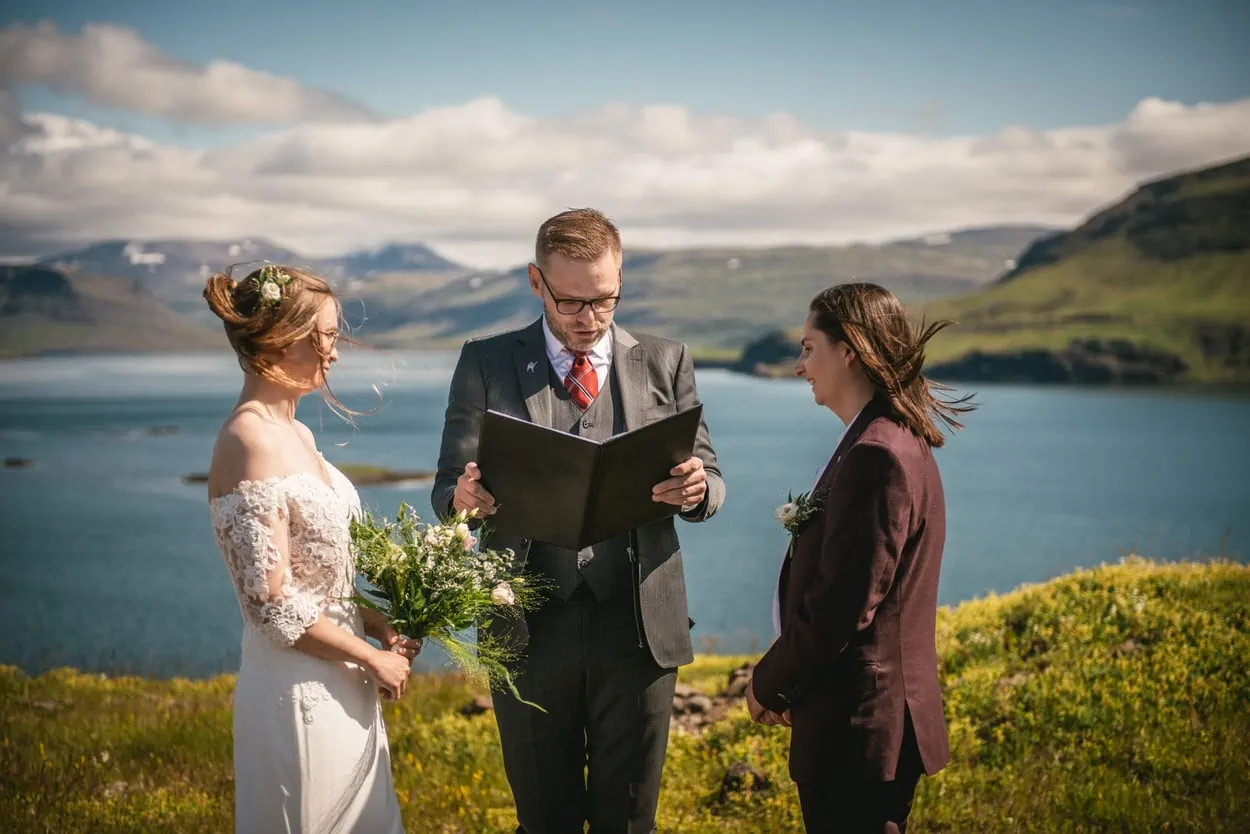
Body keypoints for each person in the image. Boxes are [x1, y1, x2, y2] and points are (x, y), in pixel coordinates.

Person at [432, 208, 725, 833]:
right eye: (571, 304)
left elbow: (710, 477)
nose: (589, 321)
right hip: (528, 630)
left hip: (639, 628)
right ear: (536, 282)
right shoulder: (485, 363)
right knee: (545, 820)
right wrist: (462, 500)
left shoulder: (666, 361)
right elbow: (444, 489)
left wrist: (699, 489)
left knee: (629, 820)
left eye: (606, 301)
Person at [746, 283, 975, 834]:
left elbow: (842, 608)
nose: (800, 366)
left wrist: (768, 683)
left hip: (858, 728)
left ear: (848, 350)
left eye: (808, 348)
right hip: (862, 724)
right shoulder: (889, 438)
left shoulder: (876, 454)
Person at [203, 263, 421, 833]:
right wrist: (372, 658)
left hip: (343, 683)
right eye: (325, 336)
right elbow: (272, 607)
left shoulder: (296, 433)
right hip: (297, 694)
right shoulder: (249, 440)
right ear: (280, 338)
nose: (335, 353)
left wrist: (374, 622)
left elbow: (316, 582)